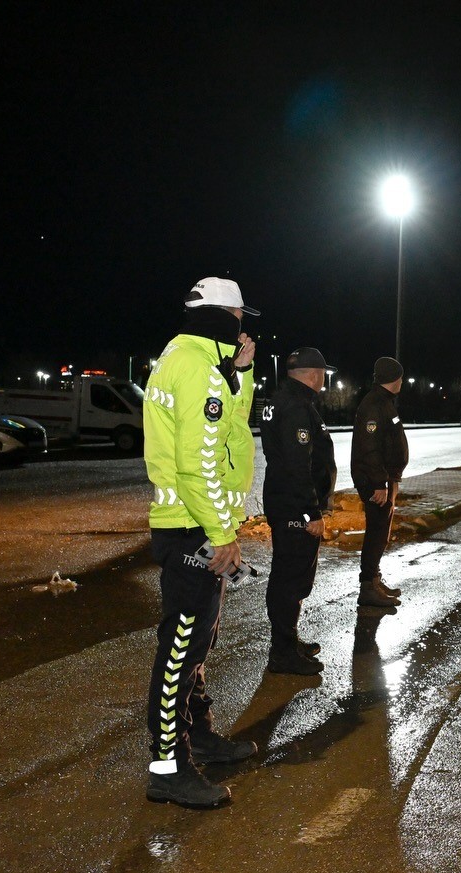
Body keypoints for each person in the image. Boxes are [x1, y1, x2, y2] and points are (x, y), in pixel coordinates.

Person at [141, 277, 260, 809]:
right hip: (193, 526)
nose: (243, 326)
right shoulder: (196, 367)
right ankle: (168, 767)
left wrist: (243, 374)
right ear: (224, 317)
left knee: (197, 643)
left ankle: (201, 735)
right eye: (239, 317)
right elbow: (198, 463)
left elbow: (233, 428)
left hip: (196, 523)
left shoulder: (197, 360)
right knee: (180, 651)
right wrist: (221, 534)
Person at [261, 347, 337, 675]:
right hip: (295, 508)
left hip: (285, 502)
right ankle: (282, 652)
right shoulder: (296, 406)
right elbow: (297, 465)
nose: (324, 379)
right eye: (323, 374)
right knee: (291, 581)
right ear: (314, 374)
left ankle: (288, 642)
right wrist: (311, 513)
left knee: (288, 578)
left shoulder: (282, 400)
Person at [352, 357, 409, 607]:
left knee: (381, 533)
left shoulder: (384, 402)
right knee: (376, 533)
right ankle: (368, 587)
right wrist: (379, 483)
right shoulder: (374, 404)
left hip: (386, 478)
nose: (402, 382)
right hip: (377, 481)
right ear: (394, 378)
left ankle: (374, 580)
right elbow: (370, 448)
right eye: (401, 377)